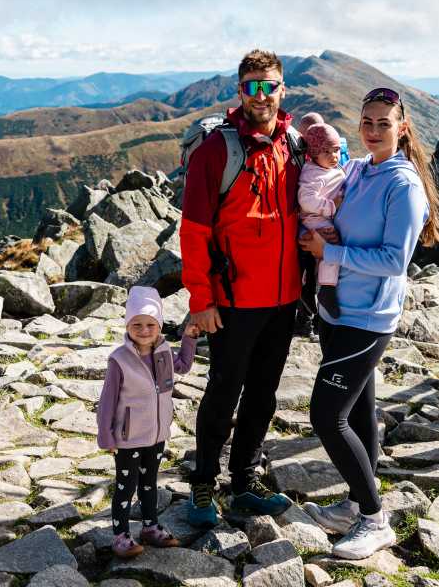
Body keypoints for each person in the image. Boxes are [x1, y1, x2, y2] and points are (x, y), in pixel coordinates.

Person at [300, 87, 439, 559]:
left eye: (383, 123)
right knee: (358, 411)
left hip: (368, 318)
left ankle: (374, 518)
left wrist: (331, 252)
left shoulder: (403, 185)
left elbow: (393, 260)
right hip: (337, 309)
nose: (373, 130)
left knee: (326, 415)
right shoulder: (360, 169)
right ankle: (354, 503)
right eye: (367, 121)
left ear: (402, 128)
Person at [181, 49, 303, 526]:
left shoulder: (292, 144)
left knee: (264, 393)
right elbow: (193, 231)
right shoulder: (218, 149)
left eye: (269, 85)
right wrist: (201, 301)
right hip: (232, 301)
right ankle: (203, 483)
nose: (261, 94)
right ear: (239, 90)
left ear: (282, 89)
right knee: (223, 392)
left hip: (283, 297)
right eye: (252, 85)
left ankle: (245, 478)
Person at [96, 286, 197, 558]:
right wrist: (106, 436)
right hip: (129, 438)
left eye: (150, 324)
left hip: (157, 434)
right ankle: (120, 535)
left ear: (159, 325)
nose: (143, 330)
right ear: (128, 325)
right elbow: (107, 400)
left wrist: (188, 338)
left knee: (150, 483)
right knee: (125, 487)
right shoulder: (119, 359)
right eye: (137, 324)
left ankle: (150, 527)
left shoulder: (164, 351)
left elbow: (184, 366)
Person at [298, 121, 346, 319]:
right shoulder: (312, 173)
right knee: (330, 249)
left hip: (323, 217)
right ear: (315, 153)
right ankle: (326, 289)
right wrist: (331, 206)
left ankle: (315, 289)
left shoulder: (331, 168)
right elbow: (306, 200)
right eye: (326, 152)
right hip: (316, 219)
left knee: (324, 256)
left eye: (336, 150)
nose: (334, 156)